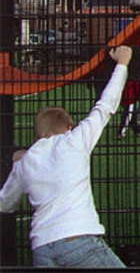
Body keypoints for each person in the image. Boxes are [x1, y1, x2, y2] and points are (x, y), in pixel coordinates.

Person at [0, 45, 132, 268]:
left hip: (41, 248)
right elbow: (105, 106)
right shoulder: (74, 141)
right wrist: (122, 64)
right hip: (78, 238)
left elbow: (5, 203)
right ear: (69, 127)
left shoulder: (25, 162)